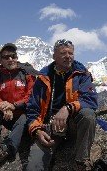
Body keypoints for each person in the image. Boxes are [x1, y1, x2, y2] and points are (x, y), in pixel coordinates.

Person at [26, 39, 98, 171]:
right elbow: (32, 108)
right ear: (54, 56)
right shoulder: (43, 77)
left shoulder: (82, 74)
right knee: (33, 166)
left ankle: (81, 162)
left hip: (73, 125)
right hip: (49, 128)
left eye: (71, 53)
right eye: (63, 53)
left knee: (88, 115)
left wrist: (68, 108)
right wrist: (37, 131)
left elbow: (91, 100)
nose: (68, 56)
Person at [0, 43, 36, 168]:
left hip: (23, 115)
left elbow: (32, 96)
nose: (10, 59)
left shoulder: (27, 74)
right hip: (6, 116)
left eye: (13, 56)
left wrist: (14, 106)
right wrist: (1, 105)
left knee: (23, 117)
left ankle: (9, 148)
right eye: (6, 57)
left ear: (17, 57)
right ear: (0, 60)